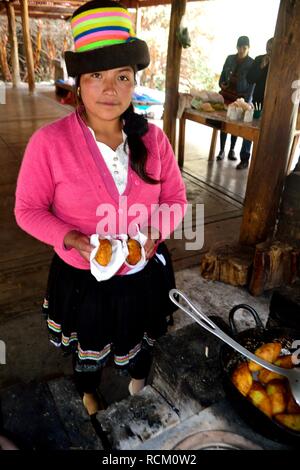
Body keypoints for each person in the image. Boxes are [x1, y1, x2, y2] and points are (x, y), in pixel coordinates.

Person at [14, 0, 187, 416]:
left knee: (141, 336)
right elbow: (27, 209)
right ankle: (90, 392)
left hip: (142, 270)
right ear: (78, 83)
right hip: (82, 276)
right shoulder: (49, 143)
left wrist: (154, 234)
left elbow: (175, 200)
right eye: (96, 76)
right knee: (87, 346)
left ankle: (138, 382)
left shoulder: (154, 140)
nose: (110, 89)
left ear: (133, 83)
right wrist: (72, 238)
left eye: (122, 76)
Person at [235, 38, 274, 169]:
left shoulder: (282, 63)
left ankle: (262, 163)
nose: (269, 51)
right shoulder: (259, 59)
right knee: (250, 131)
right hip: (257, 102)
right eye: (268, 48)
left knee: (268, 133)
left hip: (274, 103)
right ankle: (244, 159)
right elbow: (250, 78)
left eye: (272, 48)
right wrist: (261, 67)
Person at [216, 36, 254, 162]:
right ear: (236, 47)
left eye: (244, 48)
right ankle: (221, 150)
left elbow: (252, 84)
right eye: (239, 47)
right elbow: (222, 75)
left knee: (235, 124)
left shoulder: (252, 63)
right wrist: (221, 83)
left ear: (249, 48)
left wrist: (246, 102)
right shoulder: (230, 58)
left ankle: (232, 149)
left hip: (240, 98)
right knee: (224, 123)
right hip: (226, 95)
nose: (241, 50)